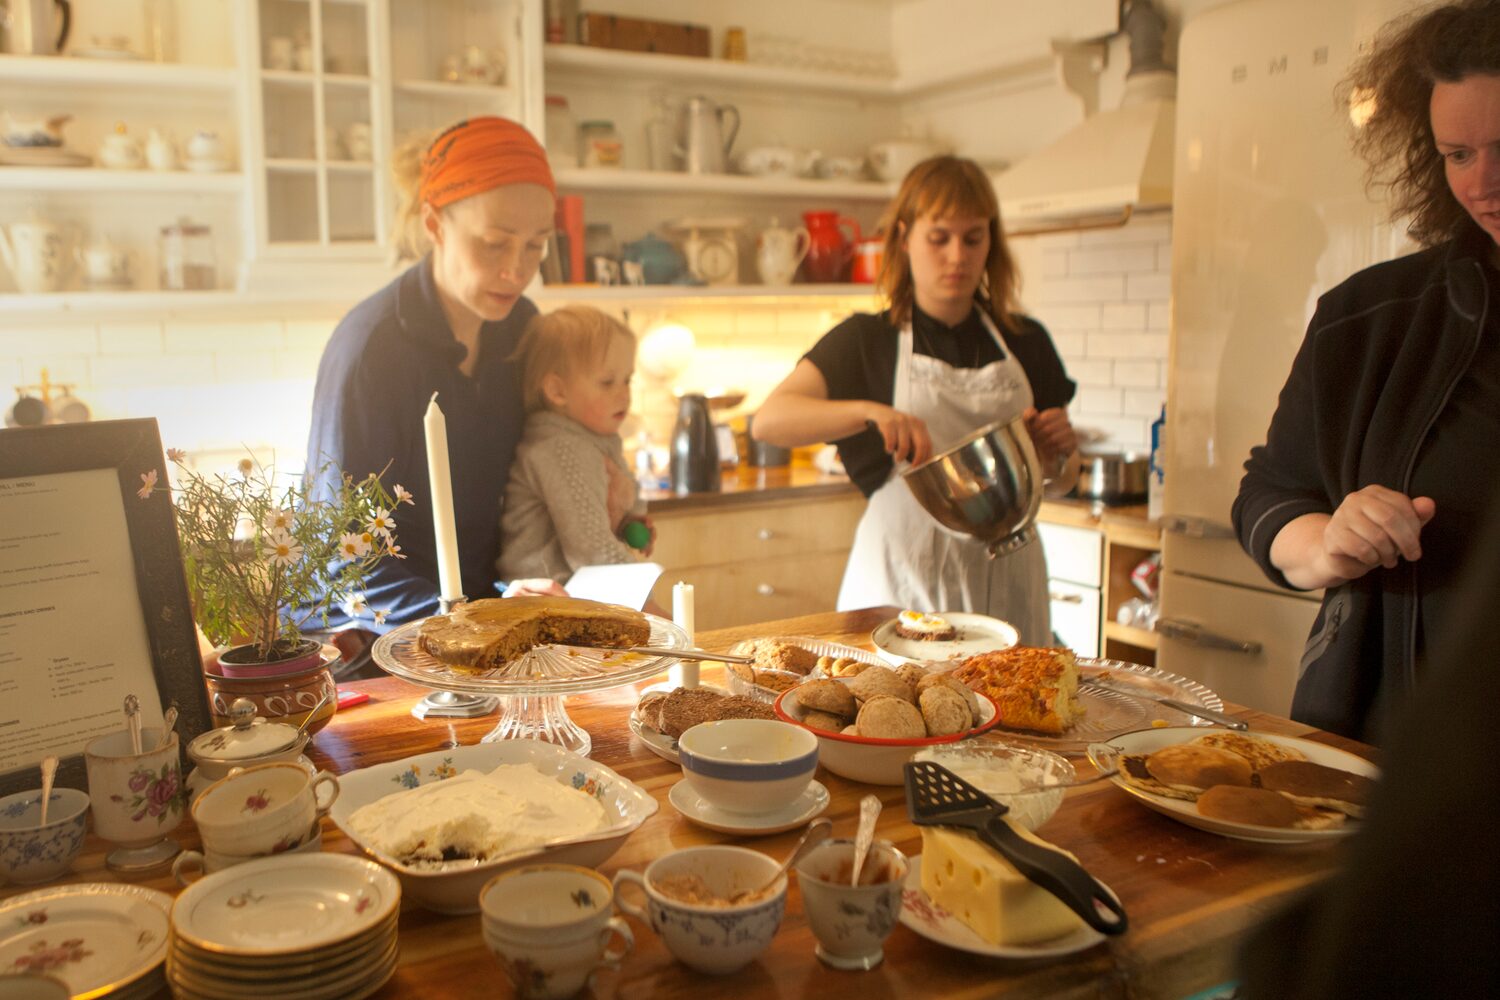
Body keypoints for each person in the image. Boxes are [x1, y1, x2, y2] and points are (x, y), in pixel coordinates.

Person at [1232, 0, 1499, 742]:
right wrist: (1325, 544)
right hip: (1385, 754)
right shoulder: (1370, 317)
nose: (1484, 184)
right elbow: (1267, 495)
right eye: (1459, 155)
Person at [751, 156, 1079, 644]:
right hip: (901, 591)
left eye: (974, 238)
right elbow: (769, 422)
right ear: (905, 238)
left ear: (992, 242)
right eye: (939, 237)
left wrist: (1059, 456)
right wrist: (869, 411)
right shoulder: (868, 341)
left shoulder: (1026, 340)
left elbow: (1066, 481)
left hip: (1011, 586)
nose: (957, 257)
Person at [304, 115, 565, 646]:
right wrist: (469, 620)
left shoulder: (520, 327)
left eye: (536, 245)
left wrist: (607, 491)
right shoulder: (370, 350)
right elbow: (346, 558)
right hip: (363, 638)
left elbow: (549, 450)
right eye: (495, 243)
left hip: (487, 619)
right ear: (435, 224)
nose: (517, 269)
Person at [498, 306, 654, 584]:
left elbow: (603, 510)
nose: (624, 393)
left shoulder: (594, 438)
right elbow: (591, 552)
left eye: (627, 380)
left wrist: (627, 522)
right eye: (607, 382)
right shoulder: (561, 448)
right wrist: (648, 604)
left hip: (574, 591)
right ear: (558, 391)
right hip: (542, 598)